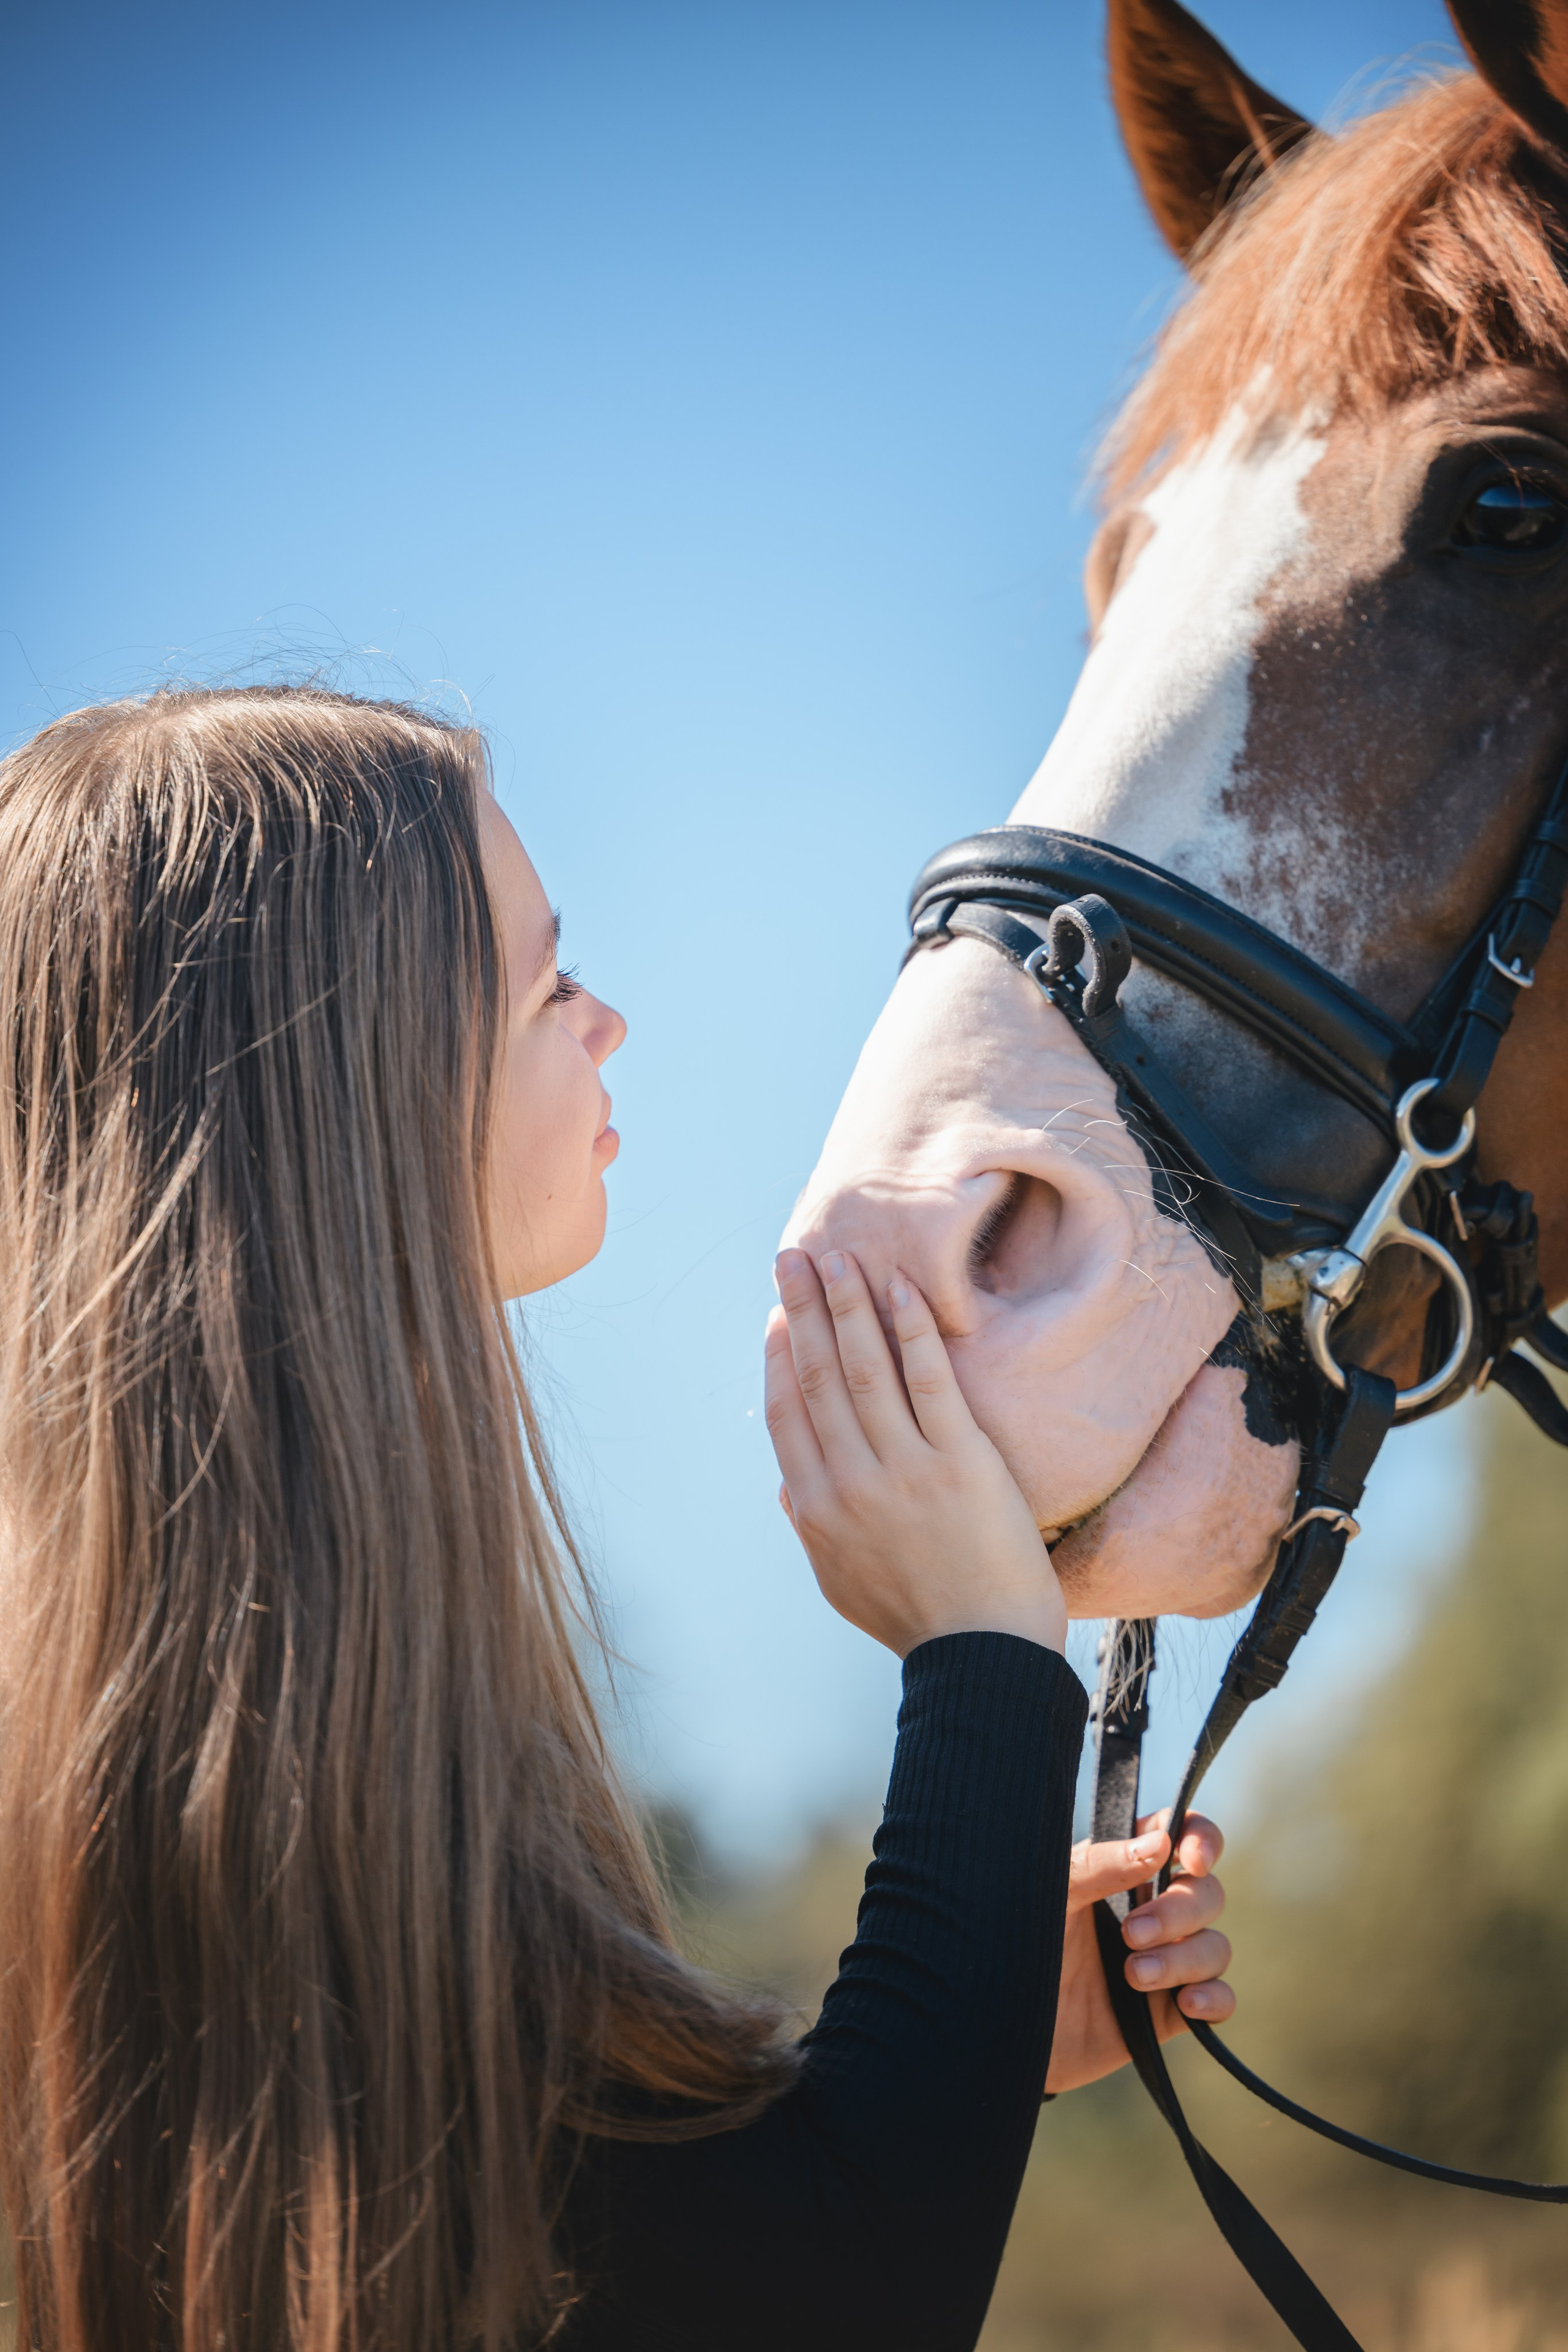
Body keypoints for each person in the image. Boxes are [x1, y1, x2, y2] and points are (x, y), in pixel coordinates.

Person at [0, 686, 1234, 2352]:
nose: (610, 1024)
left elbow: (626, 2271)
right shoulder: (269, 1745)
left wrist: (964, 2021)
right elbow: (847, 2309)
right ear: (359, 1088)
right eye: (548, 985)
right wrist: (985, 1651)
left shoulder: (188, 1727)